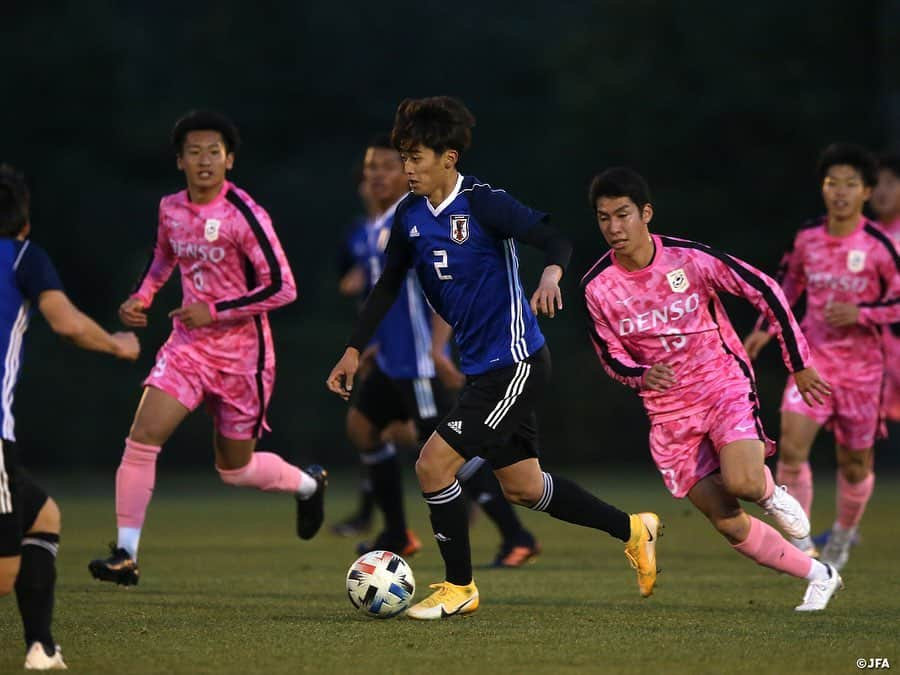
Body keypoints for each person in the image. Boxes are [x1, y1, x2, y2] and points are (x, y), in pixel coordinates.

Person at [327, 97, 659, 620]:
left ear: (449, 158)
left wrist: (551, 273)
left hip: (515, 362)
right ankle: (633, 528)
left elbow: (554, 238)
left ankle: (460, 586)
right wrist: (350, 349)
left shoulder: (484, 203)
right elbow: (386, 286)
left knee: (433, 464)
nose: (407, 169)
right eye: (404, 157)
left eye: (415, 158)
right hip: (485, 368)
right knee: (524, 487)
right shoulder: (410, 215)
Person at [582, 166, 841, 612]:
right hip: (667, 414)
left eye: (622, 214)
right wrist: (641, 375)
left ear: (646, 213)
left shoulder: (688, 259)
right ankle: (821, 576)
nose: (614, 227)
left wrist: (798, 363)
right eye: (604, 218)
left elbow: (767, 289)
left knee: (743, 481)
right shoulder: (596, 287)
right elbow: (610, 356)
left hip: (722, 385)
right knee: (727, 523)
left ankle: (771, 494)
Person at [88, 111, 326, 587]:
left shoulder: (244, 214)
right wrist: (142, 296)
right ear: (179, 160)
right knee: (141, 439)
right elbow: (163, 258)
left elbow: (283, 287)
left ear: (229, 159)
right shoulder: (171, 208)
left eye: (213, 152)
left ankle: (307, 484)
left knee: (234, 471)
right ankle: (126, 555)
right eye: (194, 152)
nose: (204, 160)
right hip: (188, 349)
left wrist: (214, 310)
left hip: (244, 358)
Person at [347, 134, 541, 567]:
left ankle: (515, 534)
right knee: (362, 427)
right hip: (390, 358)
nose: (378, 174)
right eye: (372, 167)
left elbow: (443, 290)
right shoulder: (385, 224)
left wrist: (438, 349)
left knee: (444, 453)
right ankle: (397, 531)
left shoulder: (430, 218)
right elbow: (385, 295)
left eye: (390, 166)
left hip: (418, 362)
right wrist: (366, 346)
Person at [0, 164, 140, 669]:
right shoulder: (23, 257)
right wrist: (117, 344)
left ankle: (42, 647)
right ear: (25, 221)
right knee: (2, 575)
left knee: (43, 517)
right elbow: (65, 321)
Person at [743, 143, 900, 570]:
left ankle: (844, 535)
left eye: (851, 184)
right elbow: (786, 288)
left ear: (866, 192)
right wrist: (762, 331)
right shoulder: (808, 238)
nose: (841, 192)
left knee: (853, 465)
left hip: (865, 373)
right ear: (823, 188)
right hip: (812, 362)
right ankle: (803, 543)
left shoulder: (880, 245)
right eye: (833, 183)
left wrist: (861, 313)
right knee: (791, 449)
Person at [870, 152, 900, 423]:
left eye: (890, 183)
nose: (881, 191)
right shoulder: (863, 235)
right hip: (877, 348)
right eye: (876, 184)